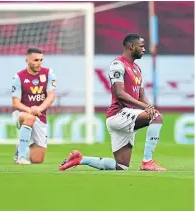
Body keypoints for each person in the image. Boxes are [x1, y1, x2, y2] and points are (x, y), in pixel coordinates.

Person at [59, 33, 167, 171]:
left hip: (127, 116)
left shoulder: (137, 69)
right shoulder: (118, 64)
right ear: (131, 46)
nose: (144, 49)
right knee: (156, 117)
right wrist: (146, 108)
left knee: (121, 167)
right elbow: (119, 93)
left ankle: (80, 159)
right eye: (141, 46)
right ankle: (147, 161)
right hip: (119, 114)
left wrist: (149, 106)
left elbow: (141, 95)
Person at [12, 47, 56, 164]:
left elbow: (51, 96)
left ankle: (20, 146)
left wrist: (39, 109)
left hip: (40, 115)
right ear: (27, 61)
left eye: (41, 60)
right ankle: (20, 157)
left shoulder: (48, 74)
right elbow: (16, 103)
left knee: (37, 160)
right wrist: (30, 110)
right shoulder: (19, 77)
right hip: (22, 114)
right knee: (29, 118)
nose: (39, 63)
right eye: (36, 60)